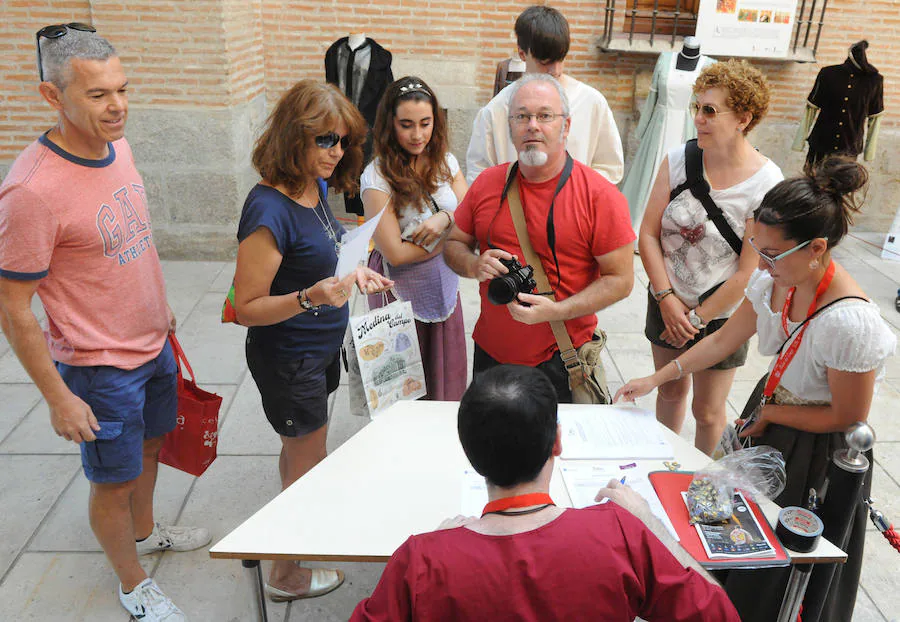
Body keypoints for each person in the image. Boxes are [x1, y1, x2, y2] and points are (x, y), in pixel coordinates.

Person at [617, 157, 896, 622]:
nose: (760, 264)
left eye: (771, 253)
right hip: (771, 414)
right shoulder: (776, 281)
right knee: (735, 537)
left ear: (817, 248)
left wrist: (771, 417)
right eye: (757, 249)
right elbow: (723, 341)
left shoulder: (851, 322)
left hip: (815, 445)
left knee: (782, 558)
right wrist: (658, 378)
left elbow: (847, 418)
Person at [0, 25, 209, 621]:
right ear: (52, 96)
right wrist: (57, 398)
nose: (117, 106)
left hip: (153, 343)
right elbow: (13, 309)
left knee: (149, 448)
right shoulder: (30, 193)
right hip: (98, 367)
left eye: (122, 89)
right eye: (97, 96)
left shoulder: (119, 146)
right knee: (111, 481)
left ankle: (144, 532)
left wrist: (158, 306)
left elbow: (128, 242)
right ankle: (132, 581)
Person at [350, 365, 741, 621]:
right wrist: (650, 525)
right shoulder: (620, 534)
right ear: (557, 441)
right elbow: (720, 615)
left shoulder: (421, 561)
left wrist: (439, 544)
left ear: (468, 449)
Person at [232, 80, 393, 602]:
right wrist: (311, 297)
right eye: (325, 140)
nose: (337, 152)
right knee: (309, 463)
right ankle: (284, 575)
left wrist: (353, 273)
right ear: (292, 137)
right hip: (288, 357)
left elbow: (321, 246)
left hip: (318, 348)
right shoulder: (267, 211)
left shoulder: (313, 187)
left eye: (342, 141)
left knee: (298, 451)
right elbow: (246, 308)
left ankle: (290, 545)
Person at [444, 73, 634, 403]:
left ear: (566, 126)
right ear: (510, 127)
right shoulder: (487, 184)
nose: (532, 125)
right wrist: (475, 265)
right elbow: (453, 244)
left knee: (556, 453)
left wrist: (557, 311)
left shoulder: (599, 196)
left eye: (545, 115)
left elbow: (621, 279)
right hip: (491, 354)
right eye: (522, 116)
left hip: (561, 358)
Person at [638, 60, 783, 455]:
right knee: (668, 390)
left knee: (707, 410)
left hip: (720, 315)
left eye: (710, 111)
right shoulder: (678, 160)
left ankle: (700, 485)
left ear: (744, 119)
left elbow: (748, 272)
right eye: (697, 108)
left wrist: (695, 318)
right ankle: (661, 465)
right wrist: (667, 299)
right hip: (667, 299)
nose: (698, 119)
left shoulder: (766, 183)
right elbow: (648, 234)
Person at [361, 76, 468, 400]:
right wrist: (451, 238)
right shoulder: (376, 177)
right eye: (407, 124)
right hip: (397, 295)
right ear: (389, 125)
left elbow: (471, 213)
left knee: (446, 386)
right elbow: (395, 253)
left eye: (425, 123)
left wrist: (445, 218)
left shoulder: (445, 161)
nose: (418, 134)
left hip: (444, 290)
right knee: (402, 393)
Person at [465, 5, 624, 185]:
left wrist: (574, 192)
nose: (555, 70)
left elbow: (610, 168)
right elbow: (479, 176)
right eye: (544, 62)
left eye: (560, 59)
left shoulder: (592, 103)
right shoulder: (496, 110)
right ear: (522, 54)